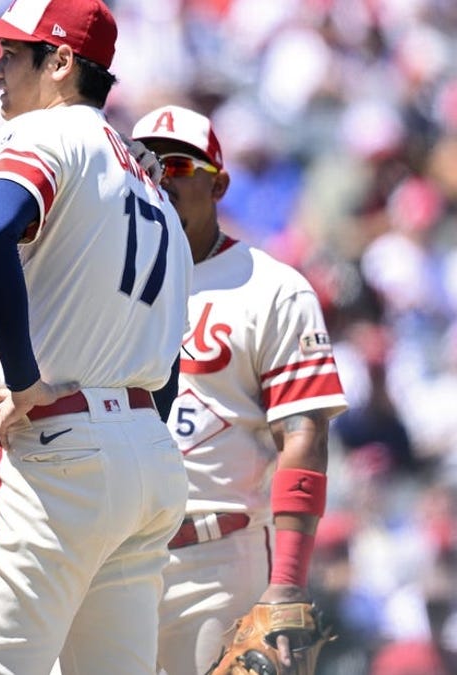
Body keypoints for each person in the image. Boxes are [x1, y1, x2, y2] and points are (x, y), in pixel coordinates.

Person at [0, 1, 194, 673]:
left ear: (59, 63)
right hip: (148, 451)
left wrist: (25, 379)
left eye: (12, 53)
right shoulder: (152, 186)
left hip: (61, 451)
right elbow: (168, 352)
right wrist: (122, 433)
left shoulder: (45, 131)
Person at [131, 104, 348, 674]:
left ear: (219, 184)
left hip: (214, 562)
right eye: (142, 162)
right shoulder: (96, 276)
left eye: (176, 166)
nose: (158, 178)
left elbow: (303, 435)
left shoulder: (271, 289)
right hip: (105, 555)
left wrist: (287, 587)